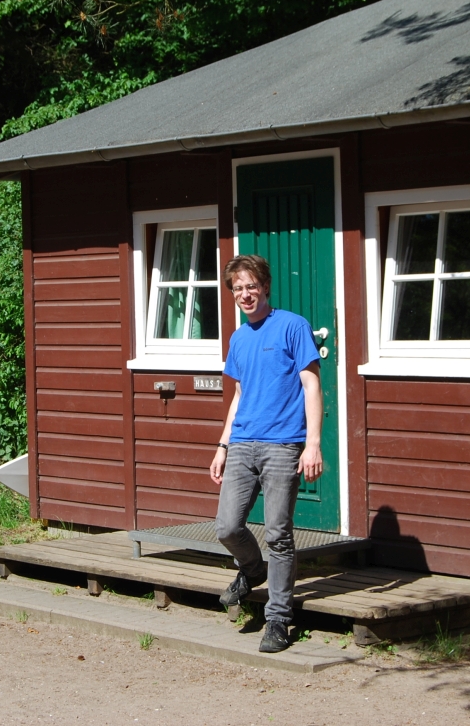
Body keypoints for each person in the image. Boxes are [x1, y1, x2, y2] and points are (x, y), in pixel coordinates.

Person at [210, 254, 323, 653]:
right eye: (238, 288)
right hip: (242, 443)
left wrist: (312, 444)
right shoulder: (239, 338)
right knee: (227, 527)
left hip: (283, 444)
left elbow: (311, 385)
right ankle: (252, 570)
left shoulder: (293, 326)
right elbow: (239, 396)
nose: (245, 294)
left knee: (278, 533)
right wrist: (223, 445)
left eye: (251, 286)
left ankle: (278, 619)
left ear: (265, 287)